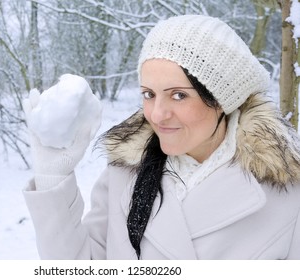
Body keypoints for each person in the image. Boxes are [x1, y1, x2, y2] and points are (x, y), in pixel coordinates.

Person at [22, 14, 300, 259]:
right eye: (149, 94)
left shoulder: (286, 195)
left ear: (222, 100)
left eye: (178, 95)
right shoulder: (124, 176)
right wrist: (52, 176)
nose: (156, 114)